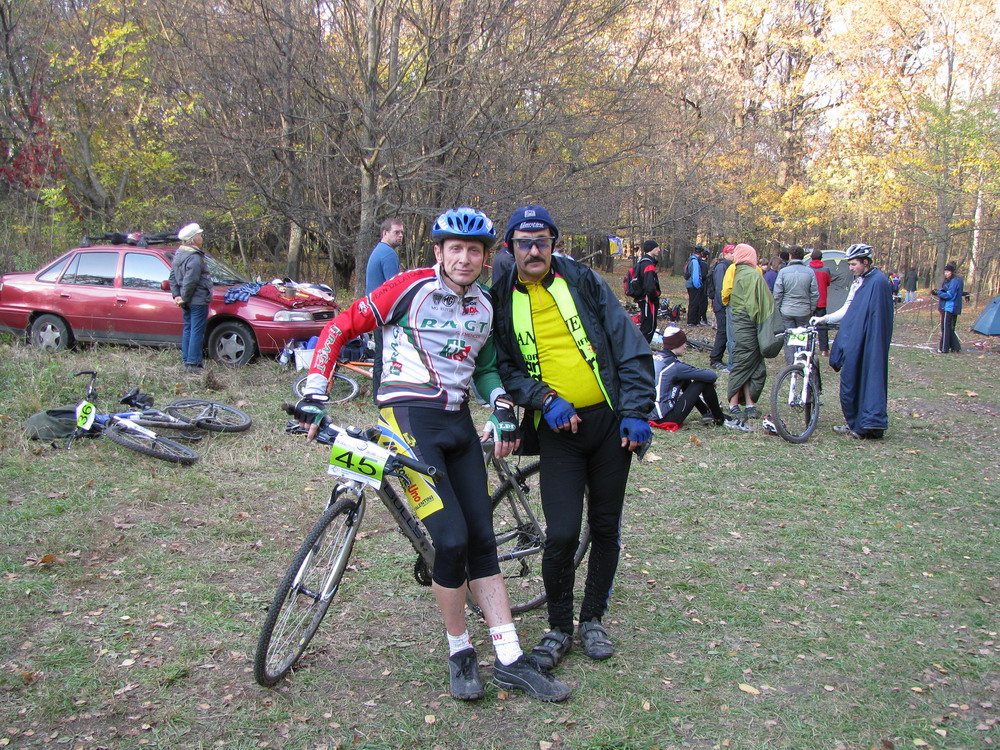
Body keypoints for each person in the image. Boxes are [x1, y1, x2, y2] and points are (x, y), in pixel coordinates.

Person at [296, 207, 571, 703]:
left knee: (482, 540)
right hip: (406, 419)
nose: (464, 258)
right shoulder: (409, 287)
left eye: (474, 251)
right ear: (438, 251)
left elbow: (485, 369)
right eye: (455, 249)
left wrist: (501, 404)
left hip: (457, 423)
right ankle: (460, 651)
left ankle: (510, 658)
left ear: (486, 257)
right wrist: (316, 390)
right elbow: (340, 327)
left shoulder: (485, 305)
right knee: (451, 540)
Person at [491, 204, 654, 673]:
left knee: (604, 527)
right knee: (561, 534)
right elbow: (505, 367)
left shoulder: (581, 280)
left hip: (609, 426)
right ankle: (559, 627)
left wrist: (636, 410)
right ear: (511, 248)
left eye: (542, 242)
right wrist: (543, 397)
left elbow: (627, 344)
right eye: (525, 243)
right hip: (559, 431)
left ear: (554, 245)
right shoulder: (500, 297)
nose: (534, 250)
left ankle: (593, 619)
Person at [811, 243, 893, 439]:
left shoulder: (878, 282)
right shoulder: (859, 282)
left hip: (870, 343)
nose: (851, 268)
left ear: (866, 262)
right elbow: (848, 308)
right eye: (849, 264)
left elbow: (878, 317)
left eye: (854, 264)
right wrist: (824, 318)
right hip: (856, 341)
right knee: (850, 380)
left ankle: (869, 426)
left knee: (869, 380)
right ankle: (854, 422)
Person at [649, 327, 749, 432]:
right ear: (676, 344)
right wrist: (706, 379)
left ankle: (707, 413)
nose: (685, 346)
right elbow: (711, 375)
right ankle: (720, 418)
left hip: (649, 413)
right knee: (702, 382)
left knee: (685, 378)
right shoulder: (675, 366)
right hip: (665, 418)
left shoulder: (655, 358)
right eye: (683, 343)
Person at [721, 243, 771, 421]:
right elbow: (759, 302)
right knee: (743, 363)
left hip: (742, 320)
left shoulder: (743, 271)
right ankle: (734, 404)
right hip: (747, 323)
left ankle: (750, 404)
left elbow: (727, 291)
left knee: (752, 363)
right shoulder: (751, 274)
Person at [366, 219, 405, 392]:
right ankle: (380, 394)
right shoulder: (388, 254)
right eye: (396, 232)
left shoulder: (379, 250)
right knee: (384, 355)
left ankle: (380, 393)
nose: (400, 236)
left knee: (381, 353)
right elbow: (395, 288)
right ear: (385, 233)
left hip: (375, 311)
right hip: (383, 312)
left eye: (402, 233)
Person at [169, 223, 212, 371]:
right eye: (199, 235)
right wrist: (184, 297)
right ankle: (193, 363)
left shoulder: (179, 254)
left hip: (186, 299)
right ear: (193, 239)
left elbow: (172, 277)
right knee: (196, 330)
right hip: (197, 299)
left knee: (188, 328)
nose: (201, 237)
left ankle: (187, 360)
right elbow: (191, 280)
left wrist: (177, 295)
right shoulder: (194, 257)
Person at [773, 246, 819, 364]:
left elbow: (777, 293)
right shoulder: (810, 272)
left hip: (787, 310)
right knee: (803, 337)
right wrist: (811, 309)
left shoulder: (783, 272)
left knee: (789, 338)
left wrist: (778, 309)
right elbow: (814, 293)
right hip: (804, 310)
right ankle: (803, 362)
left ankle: (791, 364)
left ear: (790, 256)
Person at [708, 244, 734, 371]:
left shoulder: (729, 266)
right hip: (721, 305)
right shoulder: (722, 267)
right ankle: (715, 359)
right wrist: (724, 304)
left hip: (725, 304)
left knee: (725, 332)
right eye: (731, 253)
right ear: (725, 254)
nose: (733, 255)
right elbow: (720, 288)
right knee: (722, 332)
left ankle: (717, 357)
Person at [933, 263, 964, 353]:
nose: (945, 273)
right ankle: (955, 347)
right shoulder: (950, 281)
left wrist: (938, 293)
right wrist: (938, 291)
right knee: (949, 328)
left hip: (949, 307)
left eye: (947, 272)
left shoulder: (954, 281)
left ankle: (944, 348)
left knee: (945, 328)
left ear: (952, 272)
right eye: (945, 272)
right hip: (948, 307)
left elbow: (949, 295)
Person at [636, 240, 662, 343]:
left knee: (646, 325)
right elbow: (649, 286)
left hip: (645, 299)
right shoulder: (648, 265)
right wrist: (654, 298)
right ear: (652, 249)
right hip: (648, 301)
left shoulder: (644, 262)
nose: (659, 250)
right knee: (649, 327)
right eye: (657, 247)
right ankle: (642, 348)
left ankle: (641, 348)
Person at [808, 248, 832, 355]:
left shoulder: (807, 269)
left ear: (811, 258)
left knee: (808, 325)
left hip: (809, 301)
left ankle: (808, 347)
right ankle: (824, 349)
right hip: (821, 301)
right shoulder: (826, 270)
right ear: (821, 258)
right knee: (822, 325)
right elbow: (828, 283)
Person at [685, 247, 705, 325]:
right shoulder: (695, 261)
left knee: (692, 303)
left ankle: (693, 320)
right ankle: (691, 321)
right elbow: (695, 276)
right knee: (694, 304)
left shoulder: (690, 259)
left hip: (689, 284)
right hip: (693, 286)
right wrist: (698, 286)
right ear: (700, 252)